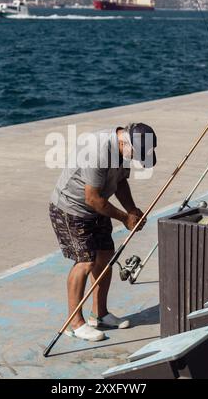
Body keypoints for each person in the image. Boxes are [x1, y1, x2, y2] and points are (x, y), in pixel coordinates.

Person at [49, 123, 157, 342]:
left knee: (105, 257)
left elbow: (120, 182)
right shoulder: (97, 151)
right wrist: (125, 219)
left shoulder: (124, 148)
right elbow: (92, 198)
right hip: (72, 209)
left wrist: (132, 210)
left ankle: (99, 315)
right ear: (124, 142)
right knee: (85, 262)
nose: (136, 160)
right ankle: (74, 322)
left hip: (96, 209)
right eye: (137, 155)